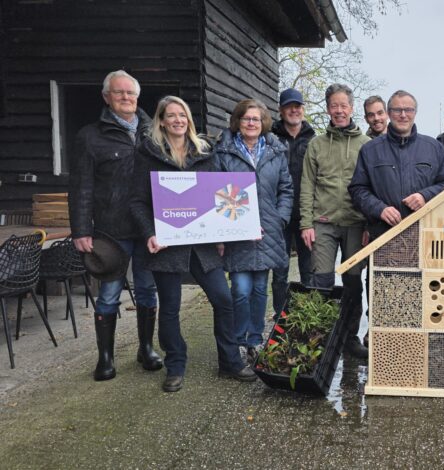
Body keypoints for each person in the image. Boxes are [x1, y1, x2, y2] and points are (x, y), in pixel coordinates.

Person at [129, 96, 256, 392]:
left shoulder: (204, 152)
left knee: (223, 300)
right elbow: (136, 202)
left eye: (182, 115)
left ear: (188, 119)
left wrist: (231, 229)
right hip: (167, 243)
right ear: (161, 120)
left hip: (202, 243)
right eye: (171, 115)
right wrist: (150, 233)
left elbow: (221, 195)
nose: (177, 120)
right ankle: (175, 365)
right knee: (170, 308)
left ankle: (230, 361)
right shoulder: (148, 154)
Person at [68, 70, 161, 381]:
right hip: (111, 230)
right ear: (106, 97)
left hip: (147, 228)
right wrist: (81, 229)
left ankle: (146, 348)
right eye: (119, 93)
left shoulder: (153, 131)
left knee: (148, 290)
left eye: (131, 93)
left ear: (137, 97)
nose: (126, 98)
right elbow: (81, 186)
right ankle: (105, 358)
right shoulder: (90, 136)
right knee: (109, 293)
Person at [215, 99, 293, 365]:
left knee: (260, 288)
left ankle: (255, 339)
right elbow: (216, 190)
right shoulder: (223, 152)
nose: (251, 123)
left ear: (263, 123)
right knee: (240, 288)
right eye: (246, 119)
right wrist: (230, 227)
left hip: (268, 230)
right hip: (236, 229)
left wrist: (280, 218)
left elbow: (286, 189)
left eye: (256, 119)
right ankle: (238, 339)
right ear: (238, 121)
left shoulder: (275, 152)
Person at [300, 83, 372, 358]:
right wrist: (306, 223)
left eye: (344, 105)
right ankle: (320, 337)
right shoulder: (316, 145)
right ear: (328, 108)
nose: (339, 111)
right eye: (334, 106)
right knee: (321, 281)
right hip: (324, 222)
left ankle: (349, 338)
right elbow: (307, 185)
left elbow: (372, 186)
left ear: (352, 108)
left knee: (353, 281)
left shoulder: (366, 145)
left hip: (355, 223)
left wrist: (368, 224)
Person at [350, 89, 444, 240]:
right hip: (383, 235)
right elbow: (357, 190)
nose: (403, 115)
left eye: (408, 110)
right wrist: (380, 209)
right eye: (397, 110)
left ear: (415, 113)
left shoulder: (434, 148)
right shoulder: (370, 150)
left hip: (425, 235)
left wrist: (425, 196)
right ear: (389, 113)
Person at [270, 89, 315, 316]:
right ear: (281, 110)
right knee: (280, 270)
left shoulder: (314, 139)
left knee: (308, 269)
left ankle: (305, 314)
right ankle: (280, 314)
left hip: (307, 216)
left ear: (302, 109)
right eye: (289, 106)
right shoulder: (271, 138)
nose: (294, 110)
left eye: (298, 106)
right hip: (278, 215)